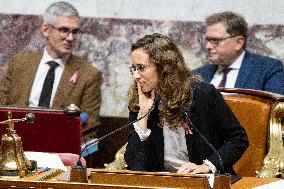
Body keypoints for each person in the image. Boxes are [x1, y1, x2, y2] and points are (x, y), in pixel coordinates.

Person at [124, 33, 248, 176]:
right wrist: (142, 117)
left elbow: (238, 139)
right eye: (133, 68)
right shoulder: (139, 102)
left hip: (203, 181)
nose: (136, 76)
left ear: (164, 67)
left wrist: (207, 166)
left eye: (141, 68)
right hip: (164, 183)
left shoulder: (202, 94)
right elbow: (134, 166)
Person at [0, 1, 102, 128]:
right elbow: (3, 107)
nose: (70, 38)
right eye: (64, 30)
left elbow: (91, 125)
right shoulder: (19, 64)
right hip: (17, 139)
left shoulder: (88, 75)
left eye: (74, 32)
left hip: (59, 143)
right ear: (46, 30)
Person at [193, 11, 284, 95]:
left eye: (215, 40)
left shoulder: (267, 69)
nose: (207, 46)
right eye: (207, 40)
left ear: (238, 42)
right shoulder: (197, 75)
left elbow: (277, 109)